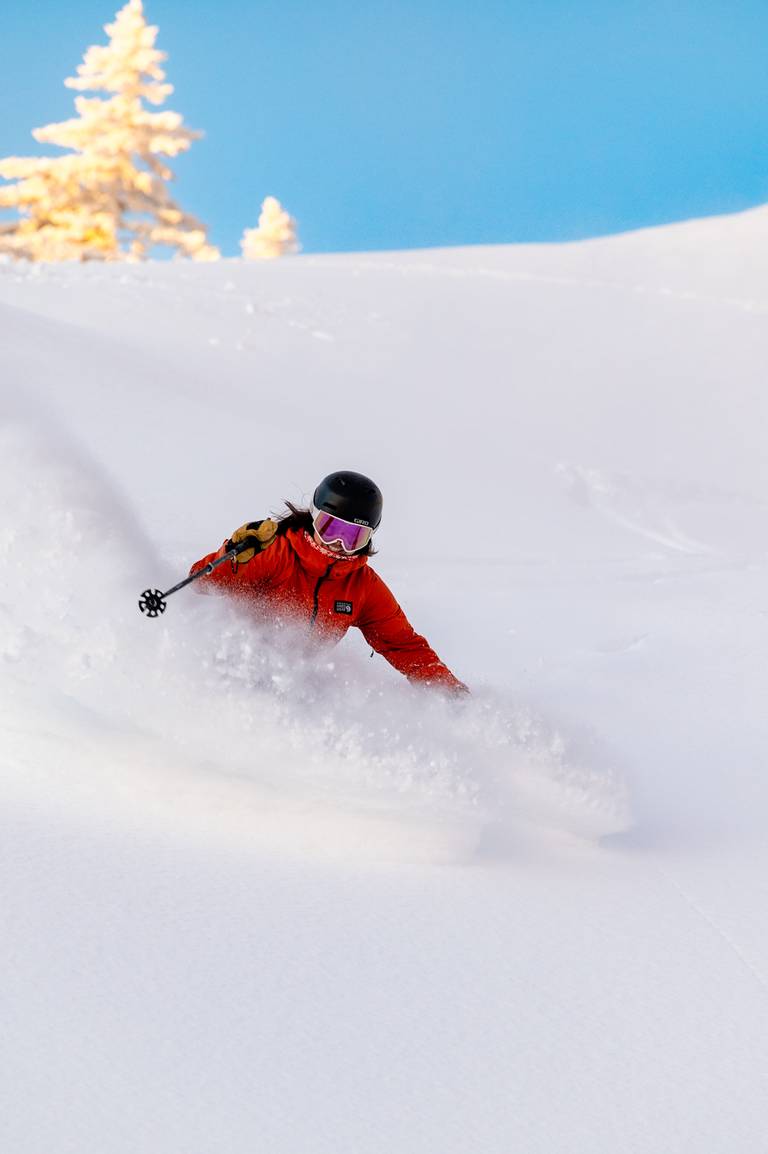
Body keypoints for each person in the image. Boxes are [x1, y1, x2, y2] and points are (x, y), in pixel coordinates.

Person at [189, 470, 467, 693]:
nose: (338, 544)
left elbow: (403, 645)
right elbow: (200, 584)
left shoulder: (363, 586)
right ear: (313, 518)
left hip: (292, 683)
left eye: (353, 537)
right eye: (331, 528)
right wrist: (232, 555)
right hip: (229, 668)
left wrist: (450, 692)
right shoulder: (277, 553)